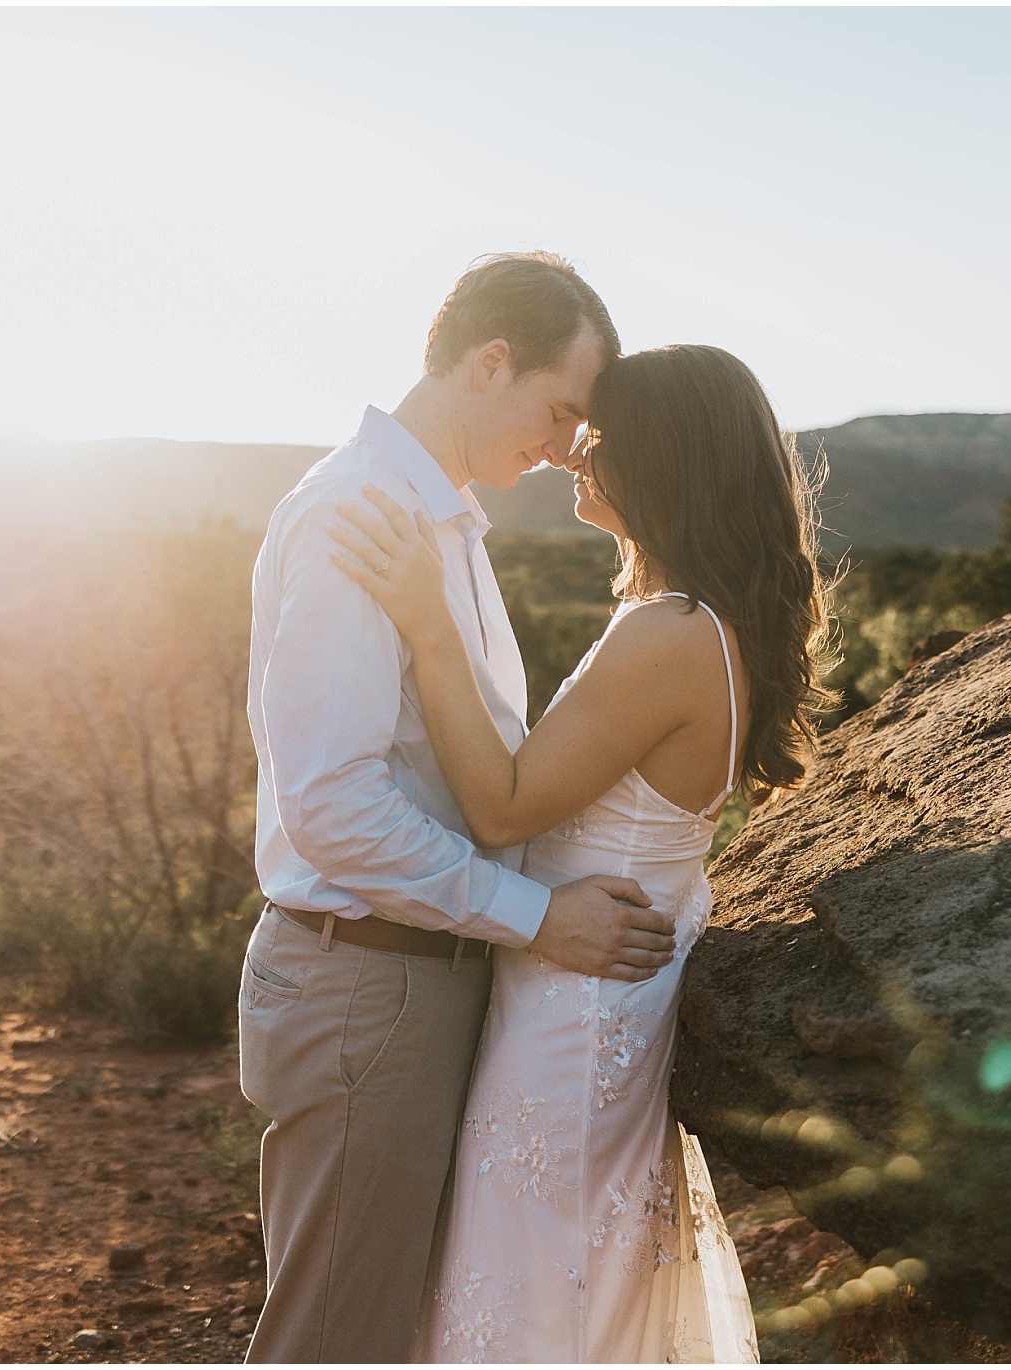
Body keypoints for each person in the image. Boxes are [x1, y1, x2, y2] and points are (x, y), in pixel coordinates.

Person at [330, 343, 835, 1361]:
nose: (574, 455)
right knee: (560, 1281)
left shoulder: (670, 632)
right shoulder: (699, 623)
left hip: (574, 1017)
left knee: (533, 1288)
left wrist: (428, 626)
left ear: (665, 459)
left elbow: (504, 805)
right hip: (589, 994)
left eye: (600, 438)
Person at [238, 252, 682, 1364]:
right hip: (364, 986)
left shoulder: (442, 520)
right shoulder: (361, 512)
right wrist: (539, 916)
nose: (564, 446)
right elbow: (333, 807)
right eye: (560, 409)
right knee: (335, 1339)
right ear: (492, 362)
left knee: (386, 1326)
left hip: (411, 976)